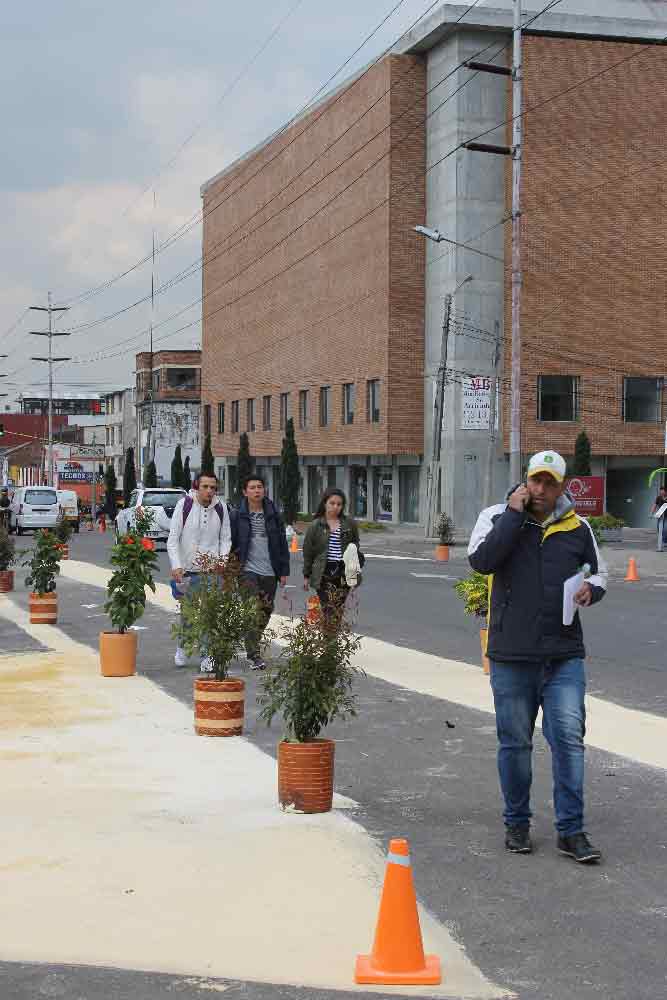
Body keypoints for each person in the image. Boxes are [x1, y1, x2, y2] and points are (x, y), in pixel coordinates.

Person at [468, 450, 607, 864]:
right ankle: (517, 823)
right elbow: (482, 561)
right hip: (512, 654)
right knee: (514, 744)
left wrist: (591, 590)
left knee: (568, 740)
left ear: (562, 486)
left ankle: (571, 831)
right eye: (535, 481)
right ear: (525, 480)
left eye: (549, 483)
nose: (541, 490)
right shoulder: (495, 516)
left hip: (564, 655)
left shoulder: (577, 527)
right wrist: (513, 514)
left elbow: (599, 572)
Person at [167, 472, 232, 671]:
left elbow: (225, 538)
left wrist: (222, 561)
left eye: (213, 487)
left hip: (212, 571)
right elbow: (173, 538)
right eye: (205, 486)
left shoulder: (221, 507)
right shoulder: (184, 505)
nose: (209, 491)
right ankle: (183, 647)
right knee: (188, 614)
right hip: (188, 571)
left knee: (209, 614)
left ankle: (207, 656)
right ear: (197, 487)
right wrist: (176, 565)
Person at [230, 475, 290, 670]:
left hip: (270, 570)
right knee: (252, 609)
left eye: (260, 487)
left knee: (266, 610)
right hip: (247, 570)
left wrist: (283, 571)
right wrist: (231, 568)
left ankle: (251, 639)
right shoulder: (237, 515)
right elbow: (231, 543)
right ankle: (253, 653)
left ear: (264, 490)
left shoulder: (273, 514)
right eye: (252, 487)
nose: (257, 491)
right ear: (245, 492)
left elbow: (282, 544)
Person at [302, 488, 364, 628]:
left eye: (339, 504)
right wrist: (306, 576)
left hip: (343, 572)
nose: (335, 507)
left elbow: (355, 546)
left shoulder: (349, 524)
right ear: (325, 503)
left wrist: (354, 572)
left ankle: (330, 644)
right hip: (323, 572)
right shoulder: (316, 525)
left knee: (337, 611)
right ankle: (329, 644)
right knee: (328, 610)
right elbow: (308, 552)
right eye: (332, 503)